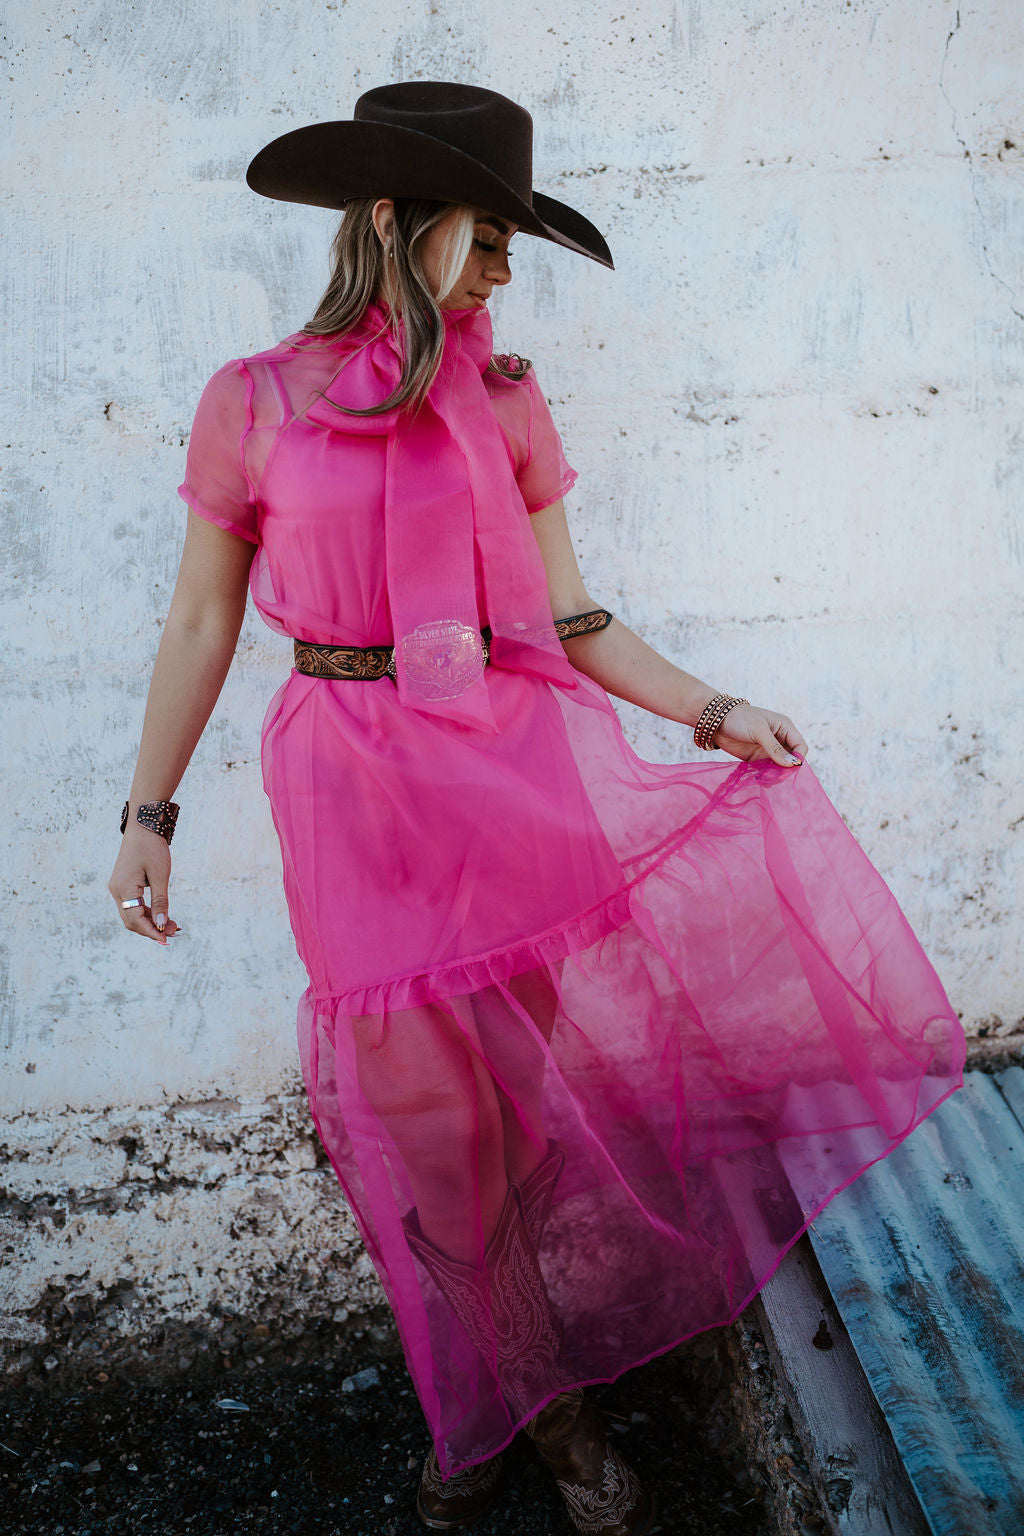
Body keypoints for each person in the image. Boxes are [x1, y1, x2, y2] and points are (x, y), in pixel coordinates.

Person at [108, 82, 965, 1535]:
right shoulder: (249, 401)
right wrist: (150, 811)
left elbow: (571, 617)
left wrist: (711, 709)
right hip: (351, 794)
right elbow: (200, 624)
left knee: (510, 1129)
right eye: (491, 239)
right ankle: (536, 1417)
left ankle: (497, 1400)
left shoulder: (508, 403)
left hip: (516, 788)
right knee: (438, 1147)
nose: (506, 273)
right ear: (396, 223)